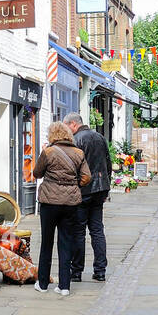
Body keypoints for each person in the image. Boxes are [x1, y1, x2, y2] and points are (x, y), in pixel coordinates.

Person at [32, 121, 91, 295]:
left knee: (47, 243)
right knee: (66, 243)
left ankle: (43, 284)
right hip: (70, 202)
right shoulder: (78, 153)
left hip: (49, 202)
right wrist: (74, 184)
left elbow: (37, 173)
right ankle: (64, 286)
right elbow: (87, 177)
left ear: (52, 135)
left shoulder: (48, 152)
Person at [65, 112, 111, 283]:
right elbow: (108, 163)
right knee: (97, 230)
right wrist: (107, 186)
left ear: (73, 124)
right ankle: (100, 270)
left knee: (78, 232)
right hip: (100, 189)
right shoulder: (99, 137)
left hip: (83, 190)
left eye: (67, 126)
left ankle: (76, 271)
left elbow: (73, 168)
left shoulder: (76, 140)